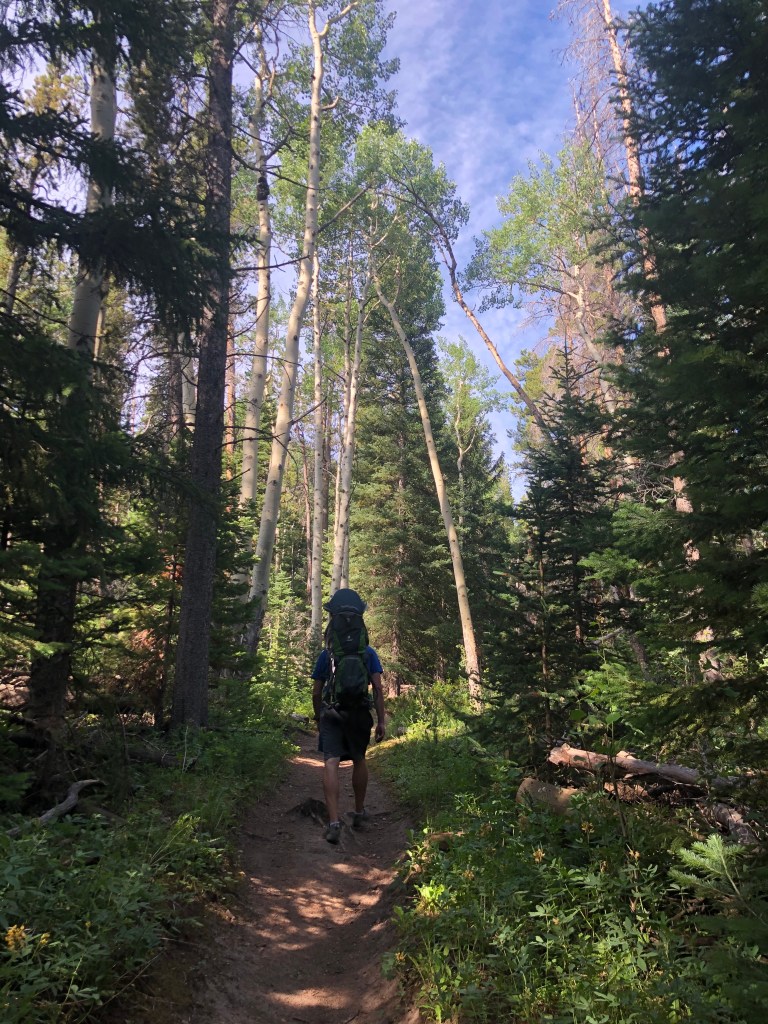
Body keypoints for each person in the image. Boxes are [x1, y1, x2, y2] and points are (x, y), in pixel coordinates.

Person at [311, 592, 386, 845]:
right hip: (359, 713)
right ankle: (360, 810)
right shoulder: (369, 654)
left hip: (332, 713)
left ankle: (333, 822)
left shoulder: (327, 656)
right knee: (359, 759)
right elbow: (377, 688)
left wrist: (318, 716)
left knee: (331, 762)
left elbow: (317, 691)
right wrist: (382, 720)